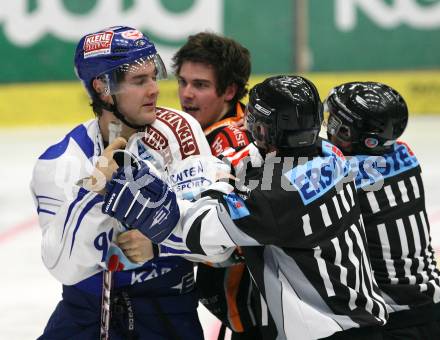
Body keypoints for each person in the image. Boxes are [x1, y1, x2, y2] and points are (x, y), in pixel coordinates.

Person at [101, 75, 389, 340]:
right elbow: (269, 168)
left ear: (265, 130)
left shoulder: (273, 202)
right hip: (363, 322)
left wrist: (129, 181)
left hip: (331, 333)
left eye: (254, 121)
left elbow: (197, 229)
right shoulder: (329, 152)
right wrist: (223, 166)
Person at [30, 25, 215, 339]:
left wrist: (159, 245)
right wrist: (95, 192)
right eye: (139, 81)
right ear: (102, 87)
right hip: (85, 315)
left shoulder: (178, 133)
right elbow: (62, 266)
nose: (154, 89)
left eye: (154, 77)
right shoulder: (60, 163)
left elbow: (217, 242)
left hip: (165, 311)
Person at [325, 81, 440, 339]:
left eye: (334, 121)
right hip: (431, 303)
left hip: (394, 318)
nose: (328, 126)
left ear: (347, 133)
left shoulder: (345, 174)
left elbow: (277, 181)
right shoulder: (405, 154)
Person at [172, 32, 266, 339]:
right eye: (183, 82)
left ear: (229, 90)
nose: (186, 94)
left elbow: (239, 237)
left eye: (200, 85)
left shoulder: (227, 143)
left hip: (259, 315)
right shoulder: (243, 121)